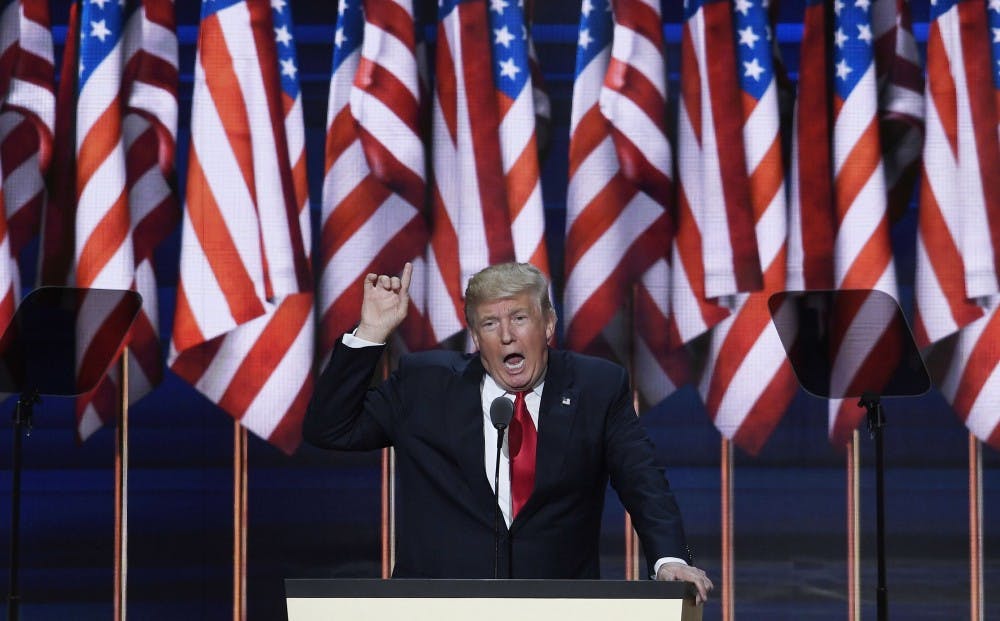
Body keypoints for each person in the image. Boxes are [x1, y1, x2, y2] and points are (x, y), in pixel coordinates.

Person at [304, 262, 713, 602]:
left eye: (519, 318)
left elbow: (644, 482)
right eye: (489, 323)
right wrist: (371, 334)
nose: (506, 335)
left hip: (558, 608)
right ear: (476, 337)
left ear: (548, 324)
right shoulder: (424, 386)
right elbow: (330, 429)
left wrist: (669, 560)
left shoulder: (597, 387)